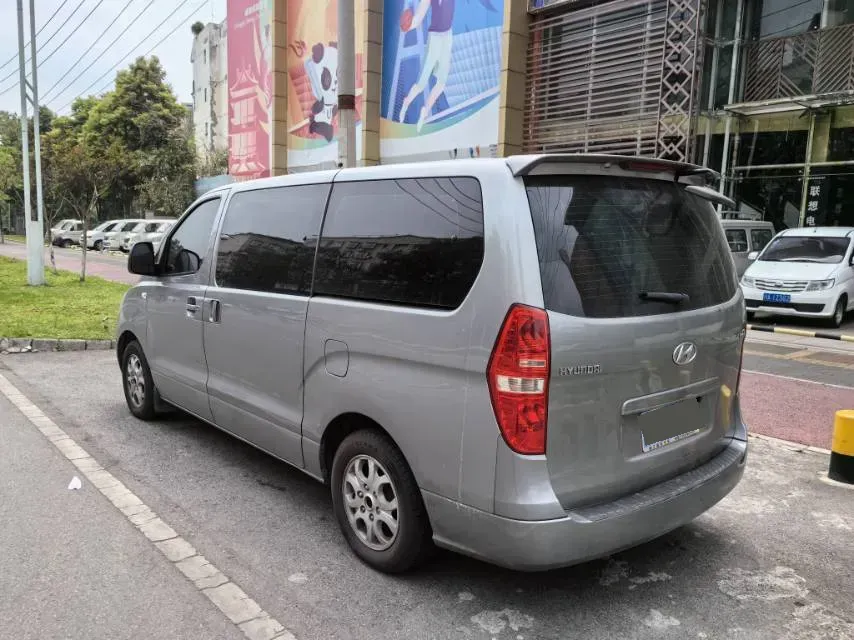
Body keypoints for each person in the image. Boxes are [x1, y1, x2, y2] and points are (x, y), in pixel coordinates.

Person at [398, 0, 455, 132]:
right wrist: (408, 25)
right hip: (435, 38)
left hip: (448, 37)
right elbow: (418, 18)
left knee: (441, 84)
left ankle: (425, 111)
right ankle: (406, 103)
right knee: (421, 84)